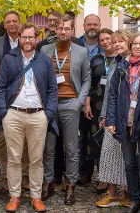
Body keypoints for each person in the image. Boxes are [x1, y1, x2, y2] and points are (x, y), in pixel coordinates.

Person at [0, 22, 58, 213]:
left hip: (38, 115)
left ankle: (36, 197)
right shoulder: (9, 59)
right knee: (14, 159)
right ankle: (14, 196)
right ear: (19, 38)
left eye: (31, 37)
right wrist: (4, 113)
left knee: (36, 159)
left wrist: (48, 114)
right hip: (14, 114)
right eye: (24, 37)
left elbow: (53, 89)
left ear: (37, 38)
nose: (27, 41)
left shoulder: (44, 60)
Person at [40, 15, 91, 205]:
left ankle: (70, 184)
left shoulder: (81, 52)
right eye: (60, 28)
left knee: (71, 148)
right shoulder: (44, 50)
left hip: (71, 103)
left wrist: (79, 101)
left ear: (72, 31)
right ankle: (48, 181)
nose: (62, 31)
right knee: (49, 147)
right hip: (50, 105)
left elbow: (87, 79)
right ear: (55, 29)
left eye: (66, 28)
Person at [106, 32, 140, 213]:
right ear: (131, 45)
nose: (138, 47)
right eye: (135, 43)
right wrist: (111, 120)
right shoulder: (122, 66)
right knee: (129, 163)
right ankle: (134, 200)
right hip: (124, 120)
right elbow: (112, 95)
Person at [0, 10, 30, 191]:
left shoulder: (27, 41)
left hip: (26, 97)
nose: (12, 24)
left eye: (15, 21)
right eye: (8, 22)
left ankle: (25, 176)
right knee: (4, 141)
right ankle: (6, 177)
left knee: (27, 141)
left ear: (20, 23)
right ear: (4, 25)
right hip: (4, 97)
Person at [95, 30, 130, 208]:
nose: (117, 44)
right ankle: (113, 193)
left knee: (129, 157)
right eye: (115, 42)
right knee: (109, 154)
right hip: (112, 115)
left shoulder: (133, 62)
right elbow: (108, 91)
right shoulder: (115, 62)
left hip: (129, 116)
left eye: (121, 41)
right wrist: (104, 115)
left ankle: (129, 194)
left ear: (128, 42)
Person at [79, 27, 111, 185]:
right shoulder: (96, 59)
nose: (105, 42)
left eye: (108, 39)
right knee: (96, 140)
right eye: (102, 40)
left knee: (111, 142)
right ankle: (99, 177)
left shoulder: (121, 59)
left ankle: (107, 178)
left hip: (113, 105)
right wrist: (87, 104)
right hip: (96, 104)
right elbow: (89, 83)